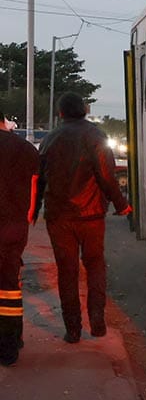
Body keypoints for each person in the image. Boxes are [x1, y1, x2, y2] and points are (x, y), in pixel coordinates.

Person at [34, 92, 131, 344]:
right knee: (95, 266)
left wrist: (34, 211)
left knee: (67, 272)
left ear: (60, 113)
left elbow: (39, 179)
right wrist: (122, 205)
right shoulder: (96, 136)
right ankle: (97, 324)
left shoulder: (50, 139)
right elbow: (107, 176)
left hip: (58, 217)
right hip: (91, 216)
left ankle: (73, 330)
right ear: (85, 110)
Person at [0, 106, 39, 365]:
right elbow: (35, 189)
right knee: (9, 287)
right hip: (13, 228)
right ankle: (10, 345)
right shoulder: (26, 149)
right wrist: (28, 217)